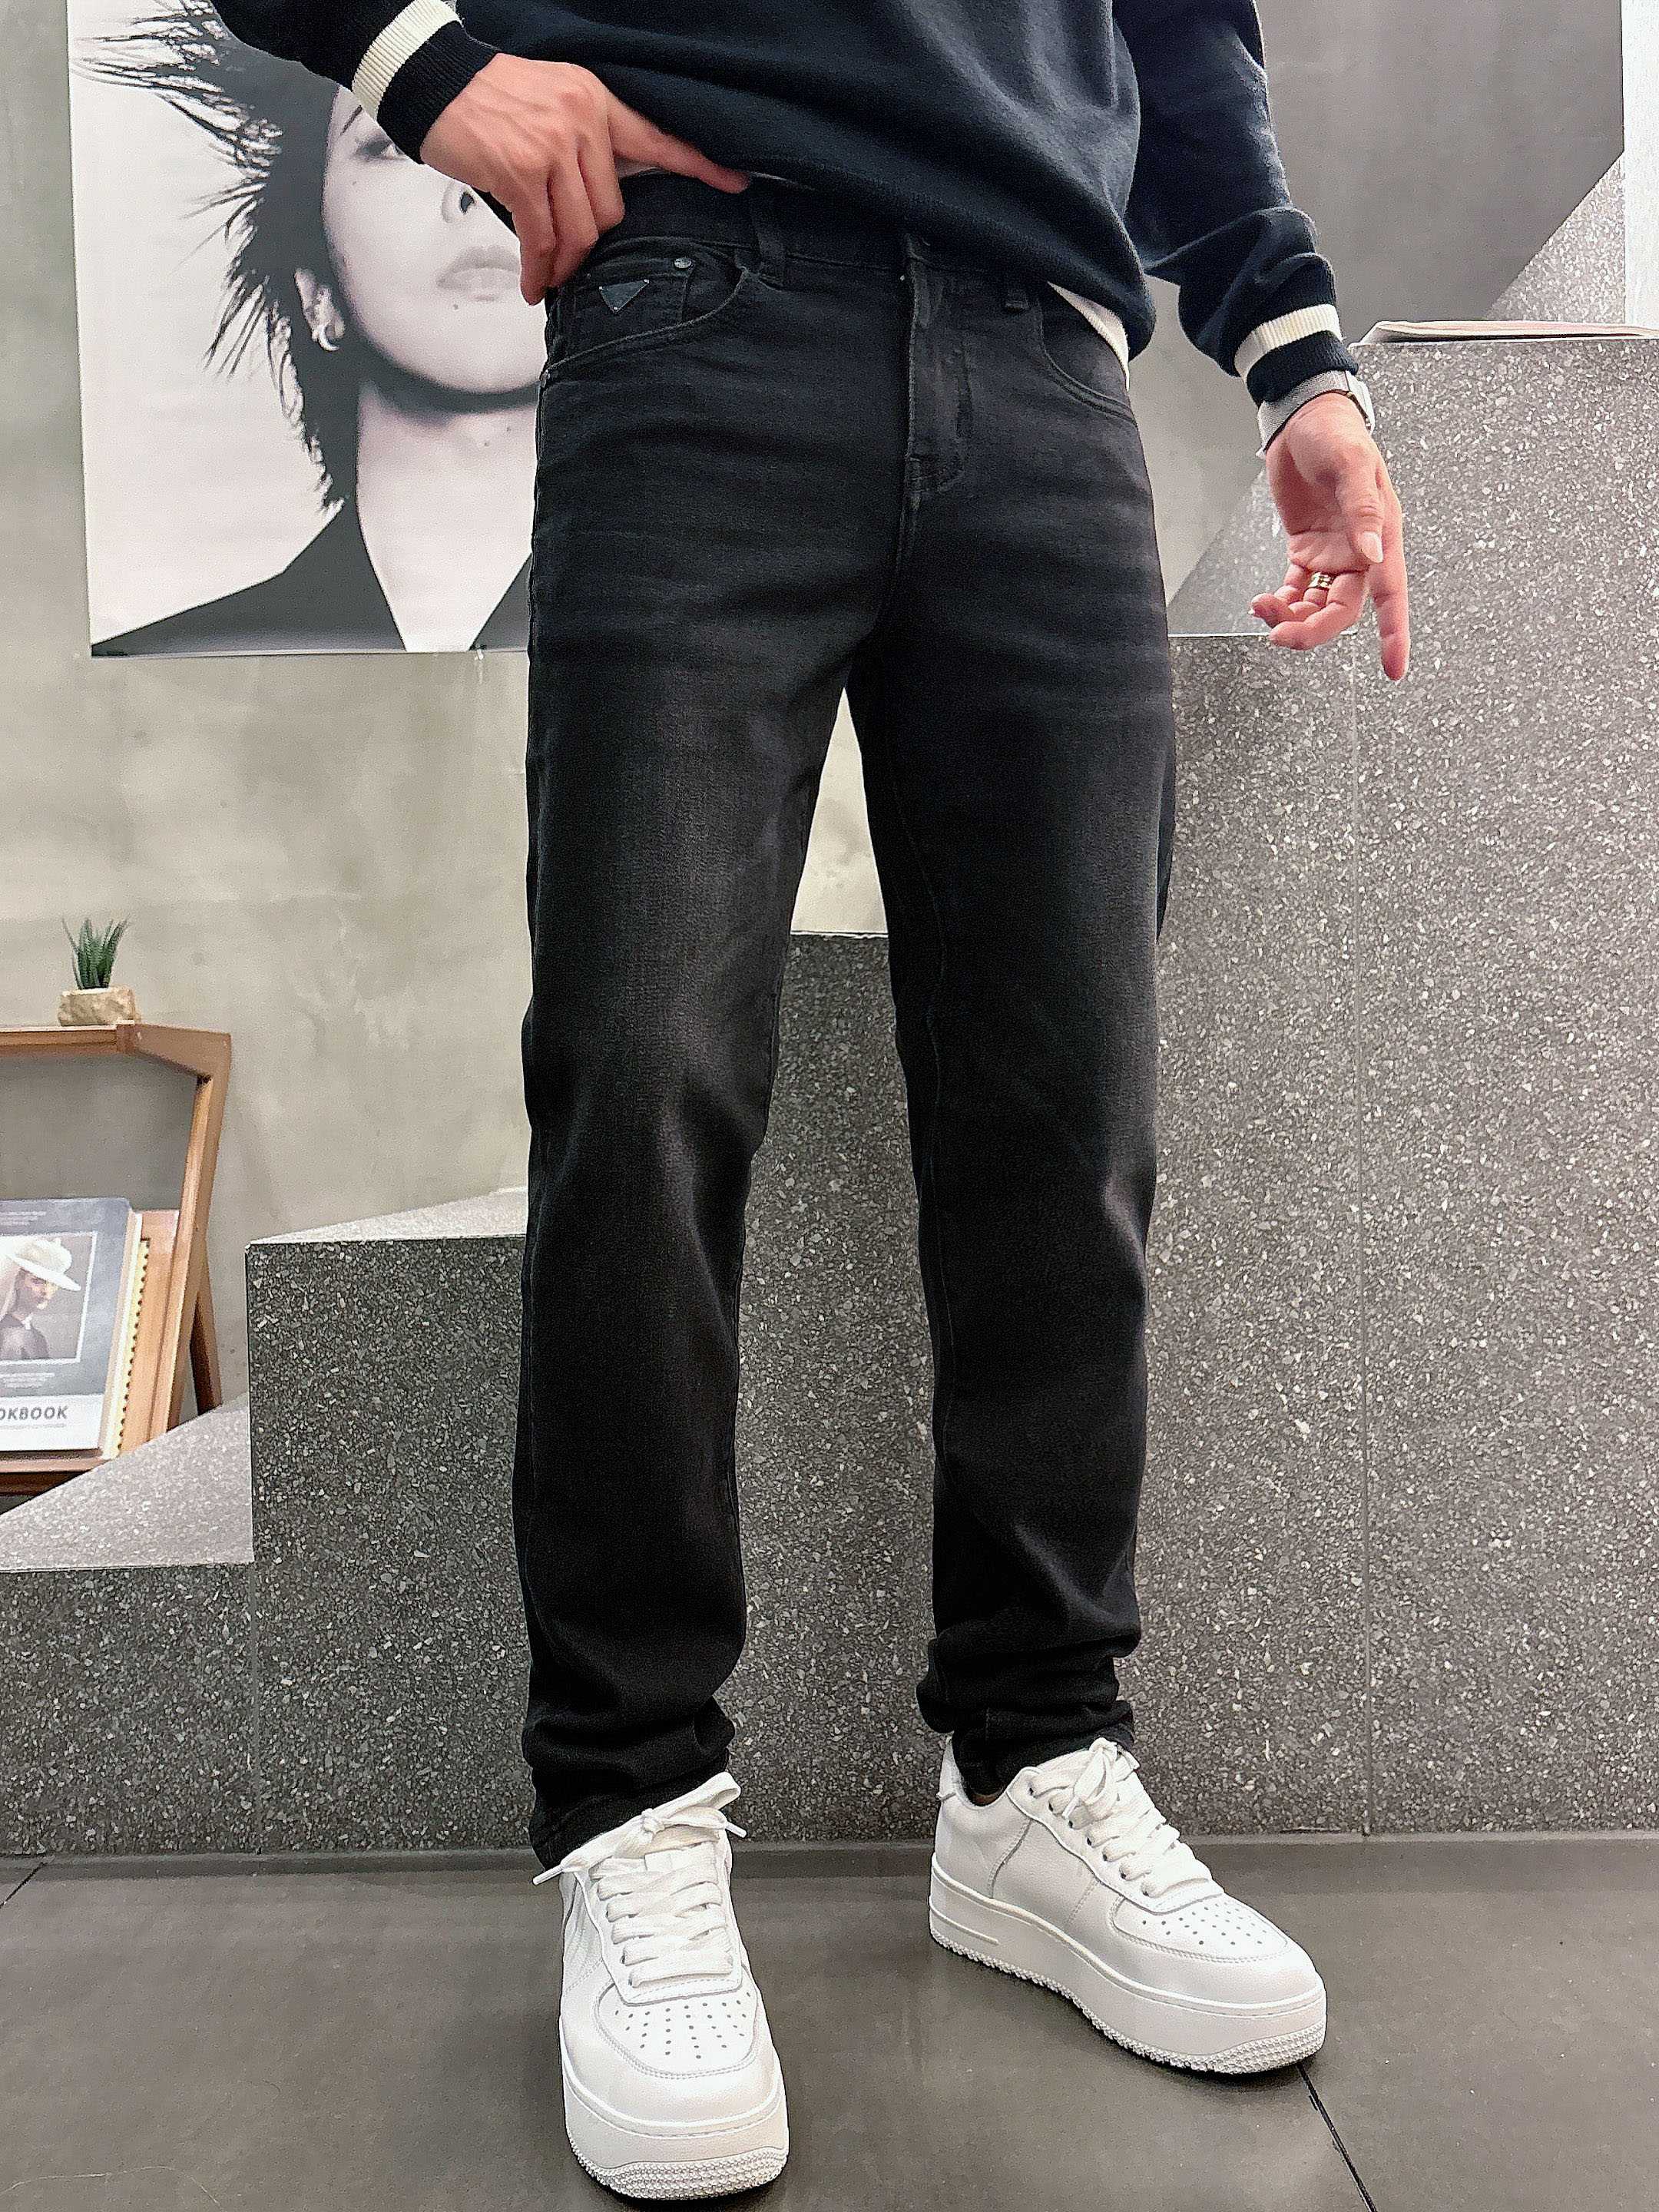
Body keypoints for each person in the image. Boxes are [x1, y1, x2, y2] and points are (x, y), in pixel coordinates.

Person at [211, 4, 1410, 2198]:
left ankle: (1034, 1767)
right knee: (644, 1083)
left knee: (1068, 1116)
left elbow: (1176, 28)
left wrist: (1295, 356)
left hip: (1047, 365)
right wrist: (427, 67)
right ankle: (633, 1807)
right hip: (700, 321)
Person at [85, 1, 537, 657]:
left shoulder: (696, 648)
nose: (471, 185)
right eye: (396, 142)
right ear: (318, 292)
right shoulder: (153, 670)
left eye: (529, 131)